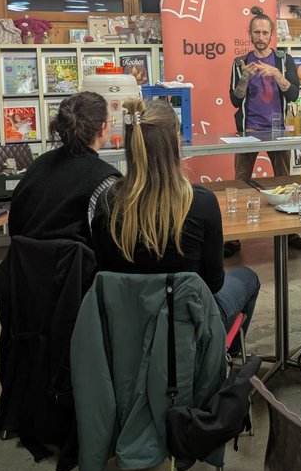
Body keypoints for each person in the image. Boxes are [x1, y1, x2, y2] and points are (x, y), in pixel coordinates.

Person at [91, 98, 260, 345]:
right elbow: (214, 283)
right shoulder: (201, 203)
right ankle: (220, 357)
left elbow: (105, 278)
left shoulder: (108, 203)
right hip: (191, 331)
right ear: (176, 141)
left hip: (129, 335)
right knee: (247, 277)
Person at [227, 5, 301, 253]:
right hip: (249, 130)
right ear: (249, 34)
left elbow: (293, 95)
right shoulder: (240, 63)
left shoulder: (284, 61)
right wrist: (244, 78)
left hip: (279, 130)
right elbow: (235, 100)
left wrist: (277, 75)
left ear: (272, 34)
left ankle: (289, 231)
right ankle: (233, 236)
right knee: (241, 182)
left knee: (284, 181)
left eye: (265, 32)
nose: (261, 37)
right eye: (256, 32)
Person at [8, 91, 119, 245]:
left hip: (23, 258)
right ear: (102, 127)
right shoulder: (106, 180)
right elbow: (114, 244)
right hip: (78, 260)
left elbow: (15, 224)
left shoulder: (39, 164)